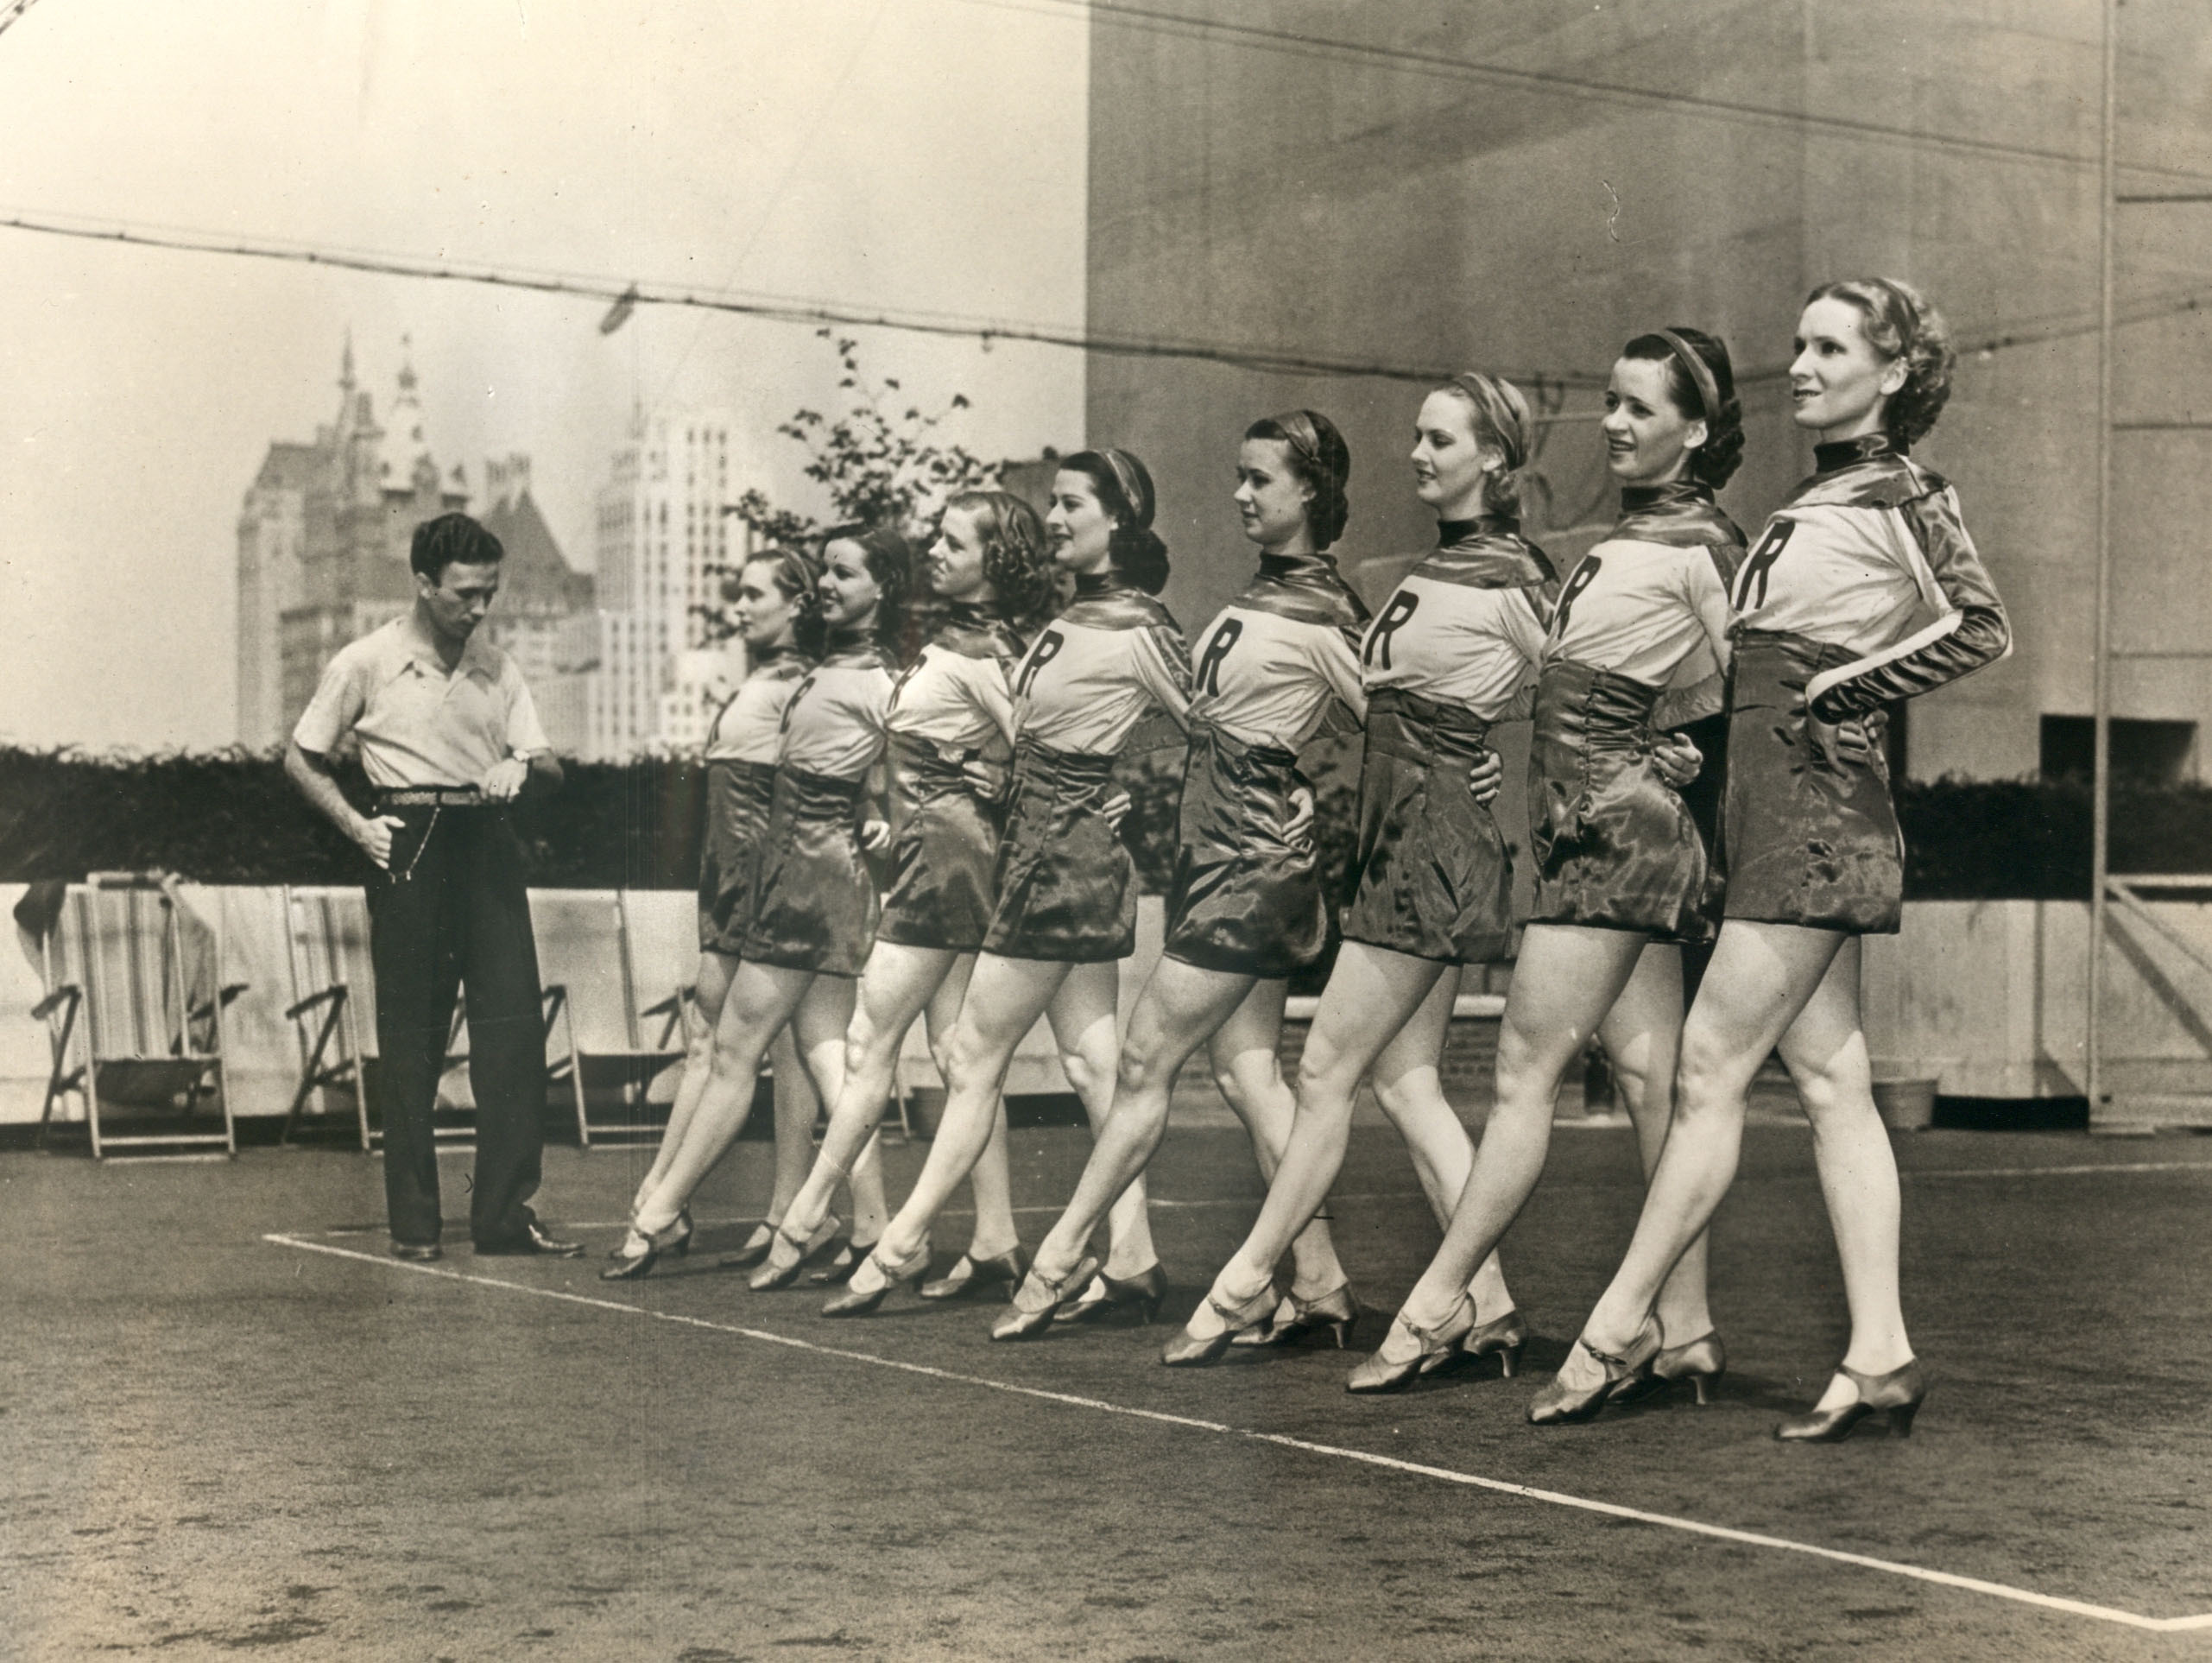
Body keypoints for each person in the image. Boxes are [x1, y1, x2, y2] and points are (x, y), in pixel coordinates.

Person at [1533, 280, 2007, 1439]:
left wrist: (1851, 684)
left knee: (1704, 1067)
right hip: (1768, 810)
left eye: (1828, 345)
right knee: (1835, 1081)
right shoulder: (1816, 495)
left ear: (1891, 371)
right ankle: (1879, 1352)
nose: (1797, 363)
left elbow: (1980, 622)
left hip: (1813, 814)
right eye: (1795, 342)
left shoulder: (1904, 488)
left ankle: (1617, 1325)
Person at [1340, 333, 1752, 1393]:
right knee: (1654, 1077)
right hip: (1584, 834)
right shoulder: (1627, 540)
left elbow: (1747, 690)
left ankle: (1440, 1306)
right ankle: (1688, 1326)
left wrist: (1674, 760)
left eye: (1639, 410)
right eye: (1609, 404)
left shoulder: (1706, 542)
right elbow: (1615, 686)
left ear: (1697, 432)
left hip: (1615, 842)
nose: (1612, 424)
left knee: (1525, 1070)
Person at [1160, 375, 1548, 1369]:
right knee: (1404, 1079)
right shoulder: (1439, 566)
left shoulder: (1511, 570)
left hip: (1433, 844)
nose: (1416, 454)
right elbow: (1380, 705)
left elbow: (1582, 685)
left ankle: (1246, 1283)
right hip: (1398, 836)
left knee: (1328, 1069)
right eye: (1417, 437)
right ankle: (1482, 1299)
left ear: (1495, 458)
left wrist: (1505, 771)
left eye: (1440, 439)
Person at [997, 410, 1390, 1344]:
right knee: (1248, 1071)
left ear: (1312, 494)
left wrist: (1318, 810)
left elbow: (1398, 727)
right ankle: (1322, 1279)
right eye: (1239, 476)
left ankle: (1055, 1264)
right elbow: (1209, 721)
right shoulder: (1261, 596)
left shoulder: (1332, 610)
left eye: (1261, 480)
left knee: (1142, 1062)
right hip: (1212, 857)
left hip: (1252, 869)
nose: (1241, 495)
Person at [770, 449, 1186, 1318]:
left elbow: (1173, 722)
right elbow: (1039, 737)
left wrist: (1113, 791)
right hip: (1018, 857)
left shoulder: (1039, 639)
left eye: (951, 541)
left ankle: (858, 1231)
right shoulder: (1045, 631)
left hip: (1015, 866)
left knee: (986, 1058)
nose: (934, 551)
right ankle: (1115, 1250)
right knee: (1086, 1060)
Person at [748, 491, 1054, 1303]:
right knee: (956, 1056)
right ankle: (993, 1239)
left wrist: (980, 783)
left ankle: (810, 1221)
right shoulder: (953, 641)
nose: (939, 551)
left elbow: (1045, 751)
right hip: (929, 855)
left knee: (866, 1043)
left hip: (948, 868)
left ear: (997, 560)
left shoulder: (989, 650)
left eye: (956, 542)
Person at [605, 527, 913, 1278]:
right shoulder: (817, 679)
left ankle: (658, 1211)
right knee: (827, 1061)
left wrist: (885, 816)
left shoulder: (857, 681)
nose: (739, 606)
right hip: (791, 881)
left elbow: (906, 768)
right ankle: (864, 1225)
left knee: (741, 1052)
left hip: (801, 885)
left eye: (756, 593)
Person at [285, 511, 583, 1261]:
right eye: (465, 595)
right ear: (422, 584)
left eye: (490, 593)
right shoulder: (365, 660)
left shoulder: (499, 667)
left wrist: (524, 766)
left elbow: (549, 767)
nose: (480, 609)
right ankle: (415, 1224)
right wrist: (358, 827)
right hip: (407, 845)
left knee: (513, 1037)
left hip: (487, 845)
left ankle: (504, 1217)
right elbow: (301, 758)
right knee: (413, 1043)